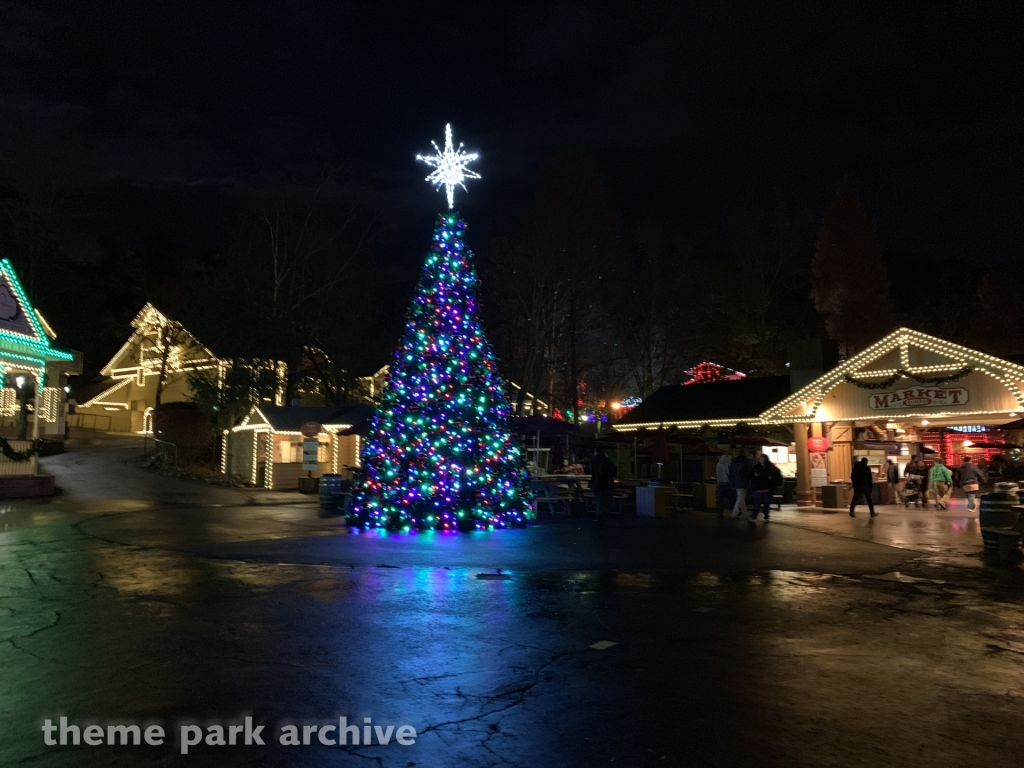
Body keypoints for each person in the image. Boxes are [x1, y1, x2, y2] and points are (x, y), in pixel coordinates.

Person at [588, 446, 617, 527]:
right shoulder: (606, 460)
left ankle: (599, 515)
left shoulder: (593, 460)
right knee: (606, 500)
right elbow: (613, 470)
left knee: (599, 500)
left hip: (596, 483)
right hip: (606, 483)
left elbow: (590, 471)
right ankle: (602, 515)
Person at [748, 454, 778, 522]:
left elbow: (774, 477)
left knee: (766, 505)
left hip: (766, 489)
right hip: (759, 489)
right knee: (757, 505)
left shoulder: (769, 468)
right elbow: (751, 476)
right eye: (760, 458)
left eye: (761, 458)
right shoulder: (757, 468)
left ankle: (765, 516)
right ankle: (755, 516)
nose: (760, 459)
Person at [729, 450, 752, 519]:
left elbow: (731, 473)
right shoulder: (746, 462)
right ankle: (734, 513)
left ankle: (745, 514)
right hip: (743, 482)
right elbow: (749, 472)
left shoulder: (734, 462)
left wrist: (732, 483)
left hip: (736, 482)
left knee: (741, 498)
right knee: (741, 498)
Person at [715, 453, 733, 518]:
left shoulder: (718, 464)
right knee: (731, 498)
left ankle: (720, 513)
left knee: (720, 499)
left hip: (720, 483)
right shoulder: (728, 464)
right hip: (728, 483)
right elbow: (730, 474)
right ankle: (734, 511)